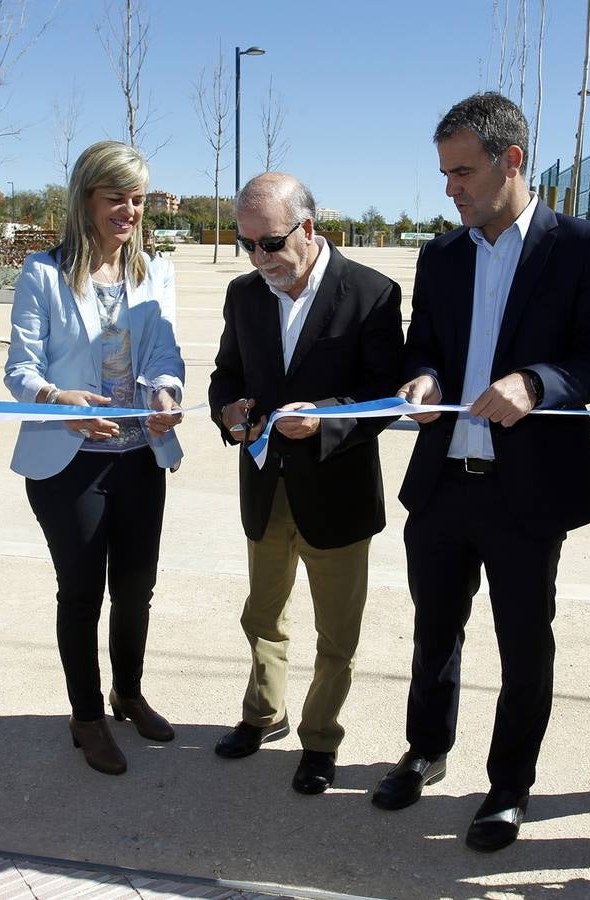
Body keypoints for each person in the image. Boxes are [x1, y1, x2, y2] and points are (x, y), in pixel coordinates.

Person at [373, 92, 590, 851]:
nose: (449, 188)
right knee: (434, 633)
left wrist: (535, 384)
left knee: (525, 645)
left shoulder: (583, 246)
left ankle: (509, 788)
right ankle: (425, 751)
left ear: (512, 160)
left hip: (528, 494)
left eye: (462, 171)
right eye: (444, 172)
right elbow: (423, 345)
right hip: (444, 484)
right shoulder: (441, 254)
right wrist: (419, 380)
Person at [207, 172, 404, 795]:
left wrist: (326, 423)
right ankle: (264, 714)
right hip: (266, 488)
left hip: (337, 496)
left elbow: (385, 398)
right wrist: (228, 411)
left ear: (308, 228)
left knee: (335, 632)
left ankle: (320, 739)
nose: (259, 258)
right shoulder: (244, 295)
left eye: (269, 243)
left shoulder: (371, 293)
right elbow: (225, 373)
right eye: (247, 245)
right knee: (262, 615)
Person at [4, 141, 184, 776]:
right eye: (116, 198)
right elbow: (19, 369)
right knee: (82, 592)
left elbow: (167, 352)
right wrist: (57, 399)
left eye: (138, 199)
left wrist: (167, 391)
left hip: (140, 456)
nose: (129, 210)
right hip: (70, 463)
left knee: (136, 587)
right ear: (86, 199)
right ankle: (86, 716)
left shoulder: (154, 271)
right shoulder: (44, 273)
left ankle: (127, 694)